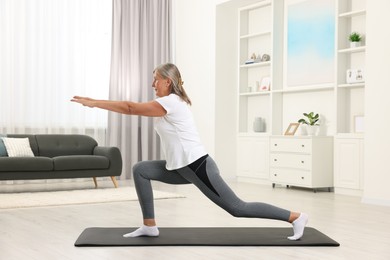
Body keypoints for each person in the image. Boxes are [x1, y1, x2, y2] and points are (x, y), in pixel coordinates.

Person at [71, 63, 308, 240]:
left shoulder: (172, 102)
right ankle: (149, 225)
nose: (153, 84)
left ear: (168, 81)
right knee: (141, 170)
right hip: (181, 168)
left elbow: (131, 108)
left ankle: (295, 217)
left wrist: (95, 102)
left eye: (156, 80)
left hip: (198, 167)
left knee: (237, 208)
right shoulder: (170, 102)